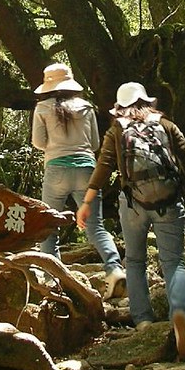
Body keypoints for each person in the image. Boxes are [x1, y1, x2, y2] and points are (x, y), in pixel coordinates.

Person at [76, 82, 185, 360]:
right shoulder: (165, 125)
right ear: (147, 102)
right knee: (174, 263)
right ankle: (181, 312)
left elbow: (103, 167)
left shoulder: (117, 130)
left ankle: (143, 320)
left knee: (134, 261)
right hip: (170, 200)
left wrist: (86, 203)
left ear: (119, 106)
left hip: (133, 203)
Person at [31, 63, 126, 298]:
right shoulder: (86, 107)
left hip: (56, 170)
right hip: (86, 170)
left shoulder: (42, 108)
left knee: (49, 226)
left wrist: (57, 146)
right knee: (96, 227)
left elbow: (38, 142)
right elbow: (94, 144)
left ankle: (52, 280)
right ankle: (114, 269)